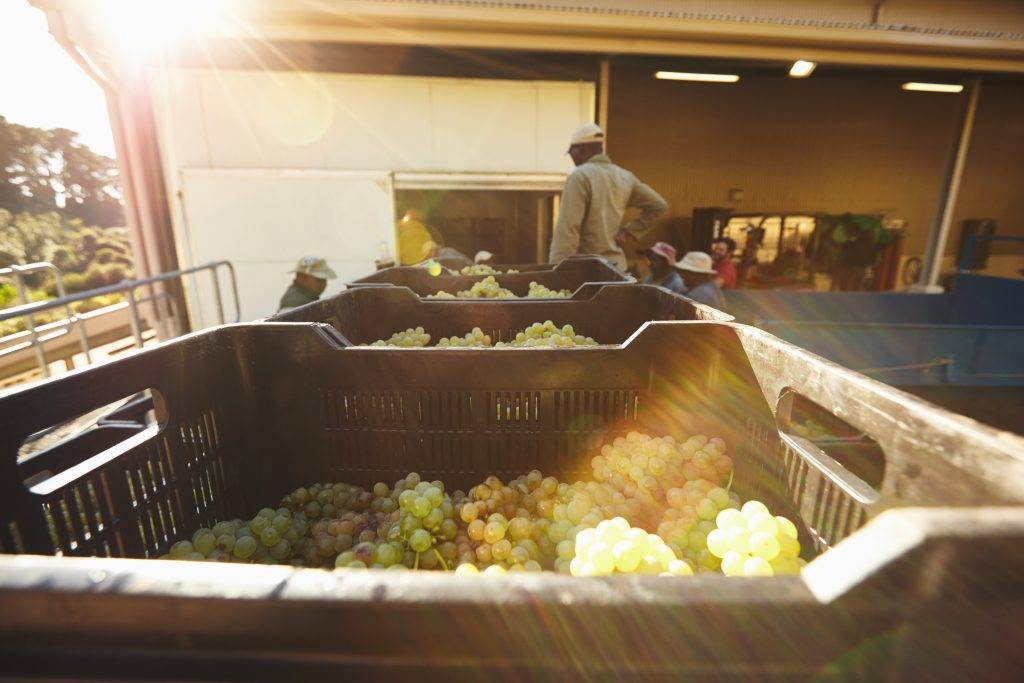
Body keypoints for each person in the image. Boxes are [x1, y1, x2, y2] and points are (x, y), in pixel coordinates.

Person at [549, 123, 668, 271]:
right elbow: (659, 206)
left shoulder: (580, 176)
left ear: (582, 149)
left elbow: (567, 230)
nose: (572, 159)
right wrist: (629, 232)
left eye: (572, 153)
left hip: (587, 271)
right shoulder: (624, 177)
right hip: (616, 269)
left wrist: (556, 270)